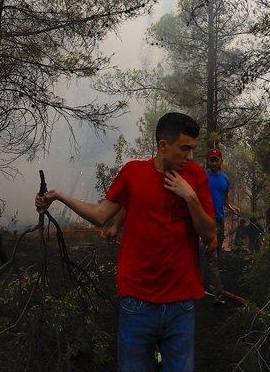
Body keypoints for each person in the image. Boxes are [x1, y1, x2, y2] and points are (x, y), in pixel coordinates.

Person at [36, 112, 216, 372]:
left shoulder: (196, 176)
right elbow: (100, 215)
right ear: (163, 146)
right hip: (137, 303)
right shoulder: (133, 173)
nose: (190, 157)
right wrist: (60, 196)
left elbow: (209, 234)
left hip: (181, 304)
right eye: (184, 148)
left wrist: (191, 198)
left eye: (193, 149)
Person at [203, 147, 239, 301]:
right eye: (211, 159)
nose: (214, 162)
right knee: (212, 254)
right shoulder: (203, 176)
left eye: (216, 159)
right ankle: (217, 291)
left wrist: (232, 207)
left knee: (216, 253)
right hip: (206, 220)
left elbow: (225, 201)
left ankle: (206, 281)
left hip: (219, 219)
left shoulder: (224, 179)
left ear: (221, 161)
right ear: (208, 161)